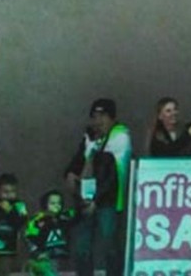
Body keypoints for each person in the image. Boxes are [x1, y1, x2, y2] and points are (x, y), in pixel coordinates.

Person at [64, 98, 132, 276]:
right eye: (94, 116)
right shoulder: (90, 137)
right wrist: (70, 172)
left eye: (103, 116)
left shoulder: (119, 137)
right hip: (85, 199)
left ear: (112, 118)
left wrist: (97, 200)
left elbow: (111, 176)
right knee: (82, 245)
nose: (98, 121)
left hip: (107, 200)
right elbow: (78, 158)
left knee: (109, 244)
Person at [25, 190, 78, 276]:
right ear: (45, 204)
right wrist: (36, 253)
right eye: (52, 203)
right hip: (43, 257)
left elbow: (77, 213)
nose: (56, 206)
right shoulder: (38, 219)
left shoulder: (64, 217)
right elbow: (29, 236)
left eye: (59, 203)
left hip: (60, 255)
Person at [0, 173, 28, 276]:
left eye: (12, 191)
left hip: (9, 248)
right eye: (5, 192)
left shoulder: (19, 205)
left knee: (5, 271)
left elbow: (22, 222)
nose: (9, 195)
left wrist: (10, 211)